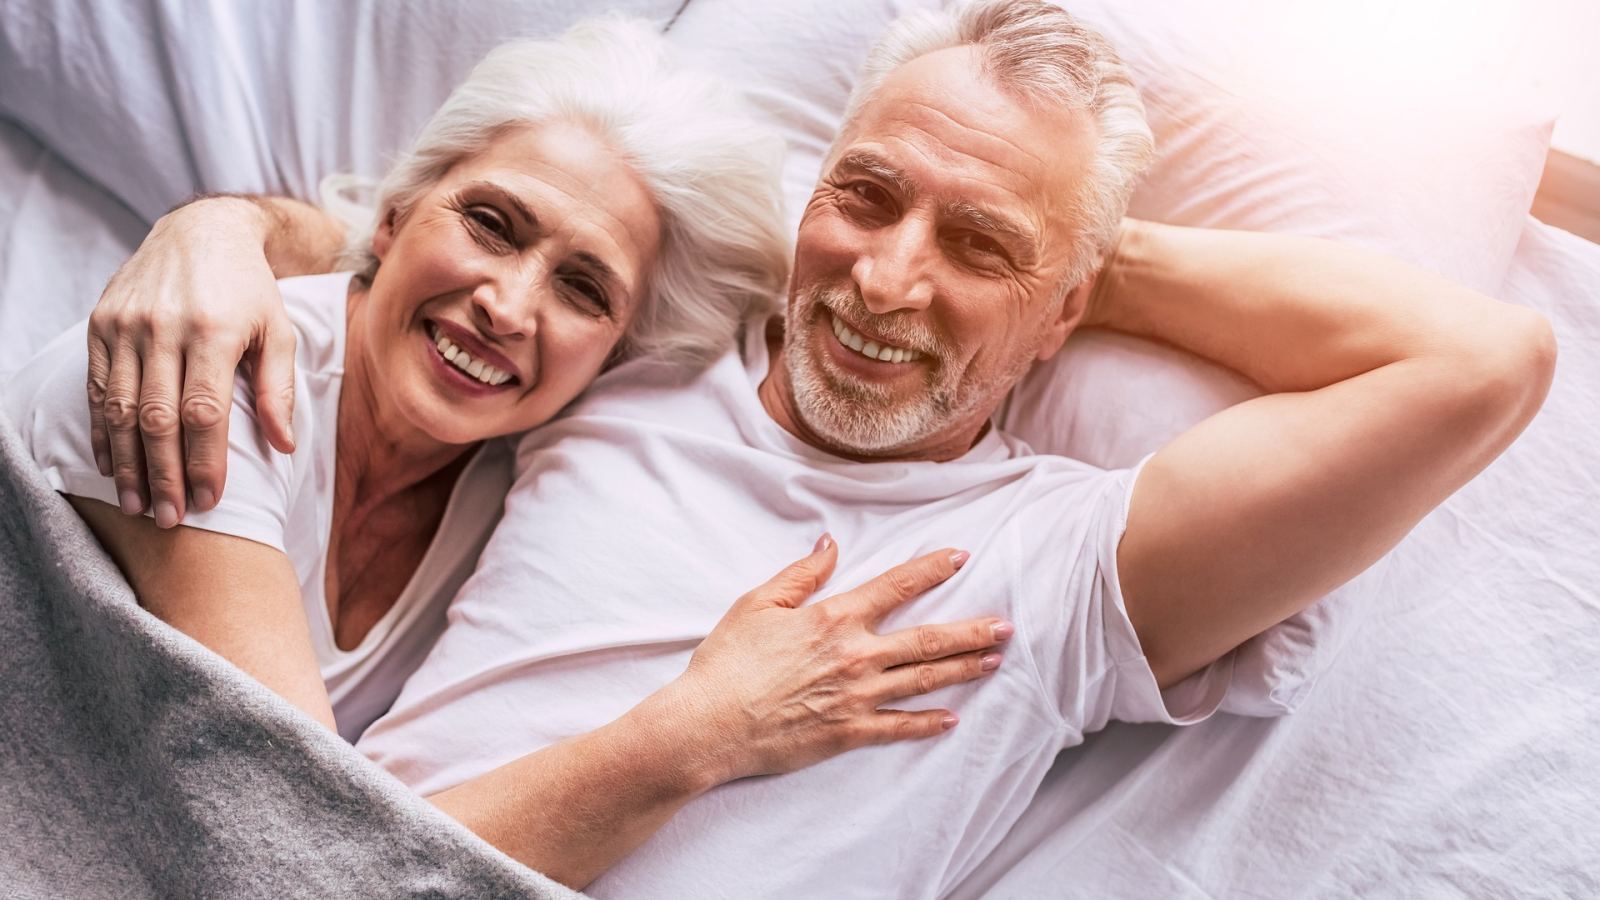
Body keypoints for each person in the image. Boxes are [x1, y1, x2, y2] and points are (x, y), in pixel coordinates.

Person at [83, 0, 1557, 896]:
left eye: (974, 244)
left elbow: (1486, 362)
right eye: (866, 195)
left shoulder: (1056, 562)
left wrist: (1087, 257)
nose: (884, 279)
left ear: (1063, 314)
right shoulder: (646, 351)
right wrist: (216, 227)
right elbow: (439, 247)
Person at [1, 18, 1018, 891]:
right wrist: (705, 731)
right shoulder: (210, 370)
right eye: (490, 224)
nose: (508, 304)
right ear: (396, 215)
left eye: (584, 290)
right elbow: (300, 848)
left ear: (614, 355)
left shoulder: (515, 471)